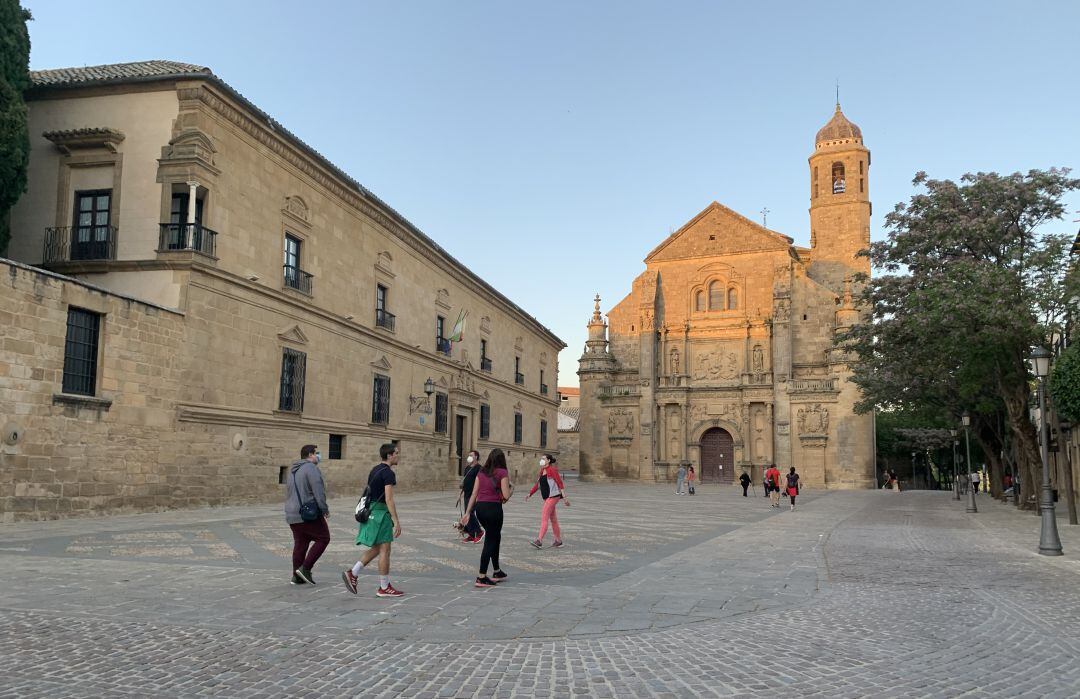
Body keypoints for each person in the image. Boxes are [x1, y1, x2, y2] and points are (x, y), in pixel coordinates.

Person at [342, 443, 404, 598]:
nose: (398, 455)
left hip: (372, 512)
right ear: (389, 455)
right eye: (396, 453)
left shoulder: (375, 470)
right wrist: (396, 521)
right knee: (385, 550)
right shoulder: (388, 473)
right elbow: (389, 499)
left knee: (377, 548)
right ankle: (384, 587)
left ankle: (353, 573)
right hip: (381, 514)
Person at [461, 448, 512, 588]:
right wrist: (512, 489)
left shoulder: (481, 471)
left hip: (480, 508)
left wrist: (467, 512)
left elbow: (473, 494)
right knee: (490, 540)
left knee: (495, 537)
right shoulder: (502, 472)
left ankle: (496, 571)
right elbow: (506, 496)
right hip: (494, 509)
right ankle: (481, 576)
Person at [284, 444, 330, 585]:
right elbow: (318, 491)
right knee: (323, 538)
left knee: (301, 543)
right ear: (310, 454)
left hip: (292, 513)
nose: (319, 456)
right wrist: (324, 509)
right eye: (317, 453)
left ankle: (296, 577)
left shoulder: (292, 470)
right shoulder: (311, 468)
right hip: (307, 513)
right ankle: (305, 569)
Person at [526, 453, 569, 548]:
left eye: (543, 458)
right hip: (547, 498)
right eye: (541, 458)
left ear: (548, 460)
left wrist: (565, 498)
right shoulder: (542, 471)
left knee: (544, 517)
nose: (541, 460)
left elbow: (560, 483)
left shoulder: (552, 470)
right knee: (553, 519)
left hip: (553, 496)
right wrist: (530, 493)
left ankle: (539, 540)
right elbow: (537, 485)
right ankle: (558, 541)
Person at [456, 450, 484, 543]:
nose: (469, 457)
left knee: (470, 513)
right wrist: (460, 494)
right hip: (466, 494)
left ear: (476, 457)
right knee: (466, 514)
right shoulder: (467, 468)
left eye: (471, 455)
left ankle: (479, 532)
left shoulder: (479, 468)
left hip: (474, 495)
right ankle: (472, 534)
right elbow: (465, 482)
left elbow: (481, 482)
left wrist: (478, 496)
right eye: (469, 455)